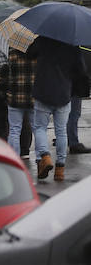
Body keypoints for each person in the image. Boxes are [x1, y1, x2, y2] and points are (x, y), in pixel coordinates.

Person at [29, 37, 86, 182]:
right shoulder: (73, 45)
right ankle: (60, 168)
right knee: (61, 131)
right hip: (63, 92)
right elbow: (81, 71)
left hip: (43, 91)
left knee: (40, 127)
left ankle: (45, 156)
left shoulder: (43, 39)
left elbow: (29, 53)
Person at [0, 47, 36, 161]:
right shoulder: (38, 54)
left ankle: (14, 159)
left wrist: (4, 92)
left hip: (14, 99)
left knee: (14, 130)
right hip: (34, 98)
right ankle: (41, 159)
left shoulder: (10, 54)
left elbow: (0, 79)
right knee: (38, 129)